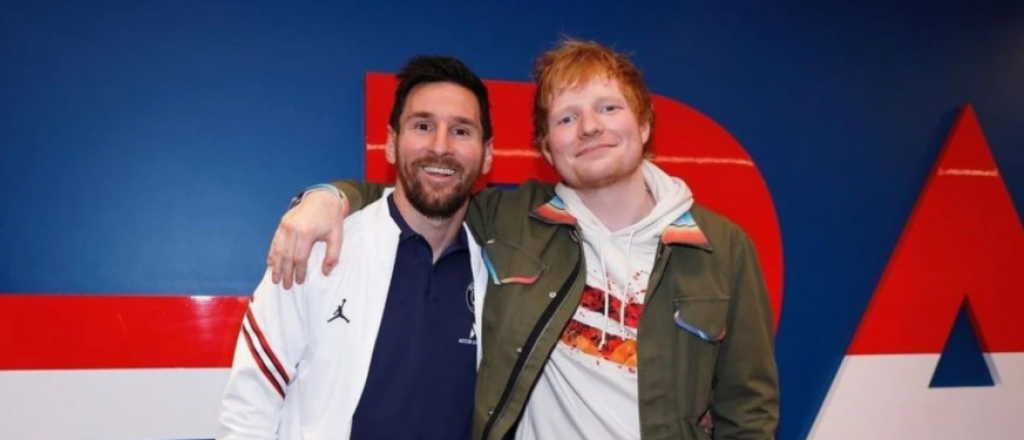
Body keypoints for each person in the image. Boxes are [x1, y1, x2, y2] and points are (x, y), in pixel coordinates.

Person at [271, 38, 779, 440]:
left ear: (644, 123)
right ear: (546, 147)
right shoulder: (510, 217)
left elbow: (748, 411)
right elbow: (418, 190)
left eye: (607, 108)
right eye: (566, 117)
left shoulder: (723, 248)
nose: (589, 128)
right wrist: (327, 198)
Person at [216, 55, 495, 440]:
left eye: (461, 131)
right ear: (393, 143)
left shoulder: (498, 271)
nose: (440, 146)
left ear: (487, 154)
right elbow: (249, 409)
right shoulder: (316, 249)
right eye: (423, 125)